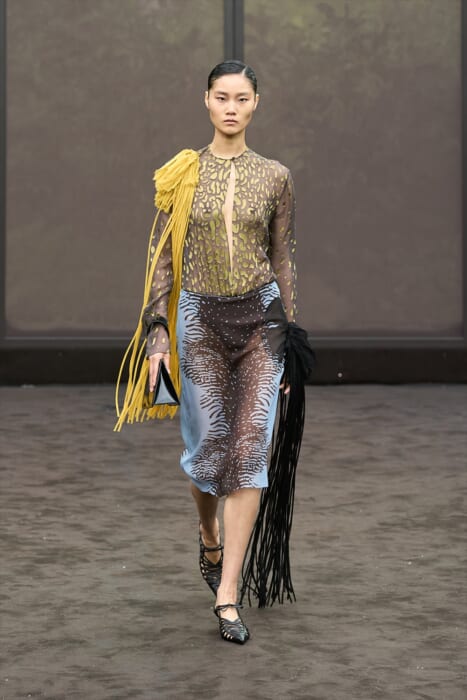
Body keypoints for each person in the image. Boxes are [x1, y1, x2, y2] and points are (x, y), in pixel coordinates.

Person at [116, 60, 300, 645]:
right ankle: (208, 534)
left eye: (241, 98)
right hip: (199, 321)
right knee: (206, 453)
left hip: (261, 319)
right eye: (222, 97)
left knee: (249, 453)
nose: (231, 107)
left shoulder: (275, 176)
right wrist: (157, 334)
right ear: (206, 101)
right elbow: (162, 258)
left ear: (255, 104)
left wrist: (291, 338)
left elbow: (282, 257)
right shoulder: (182, 174)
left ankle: (228, 594)